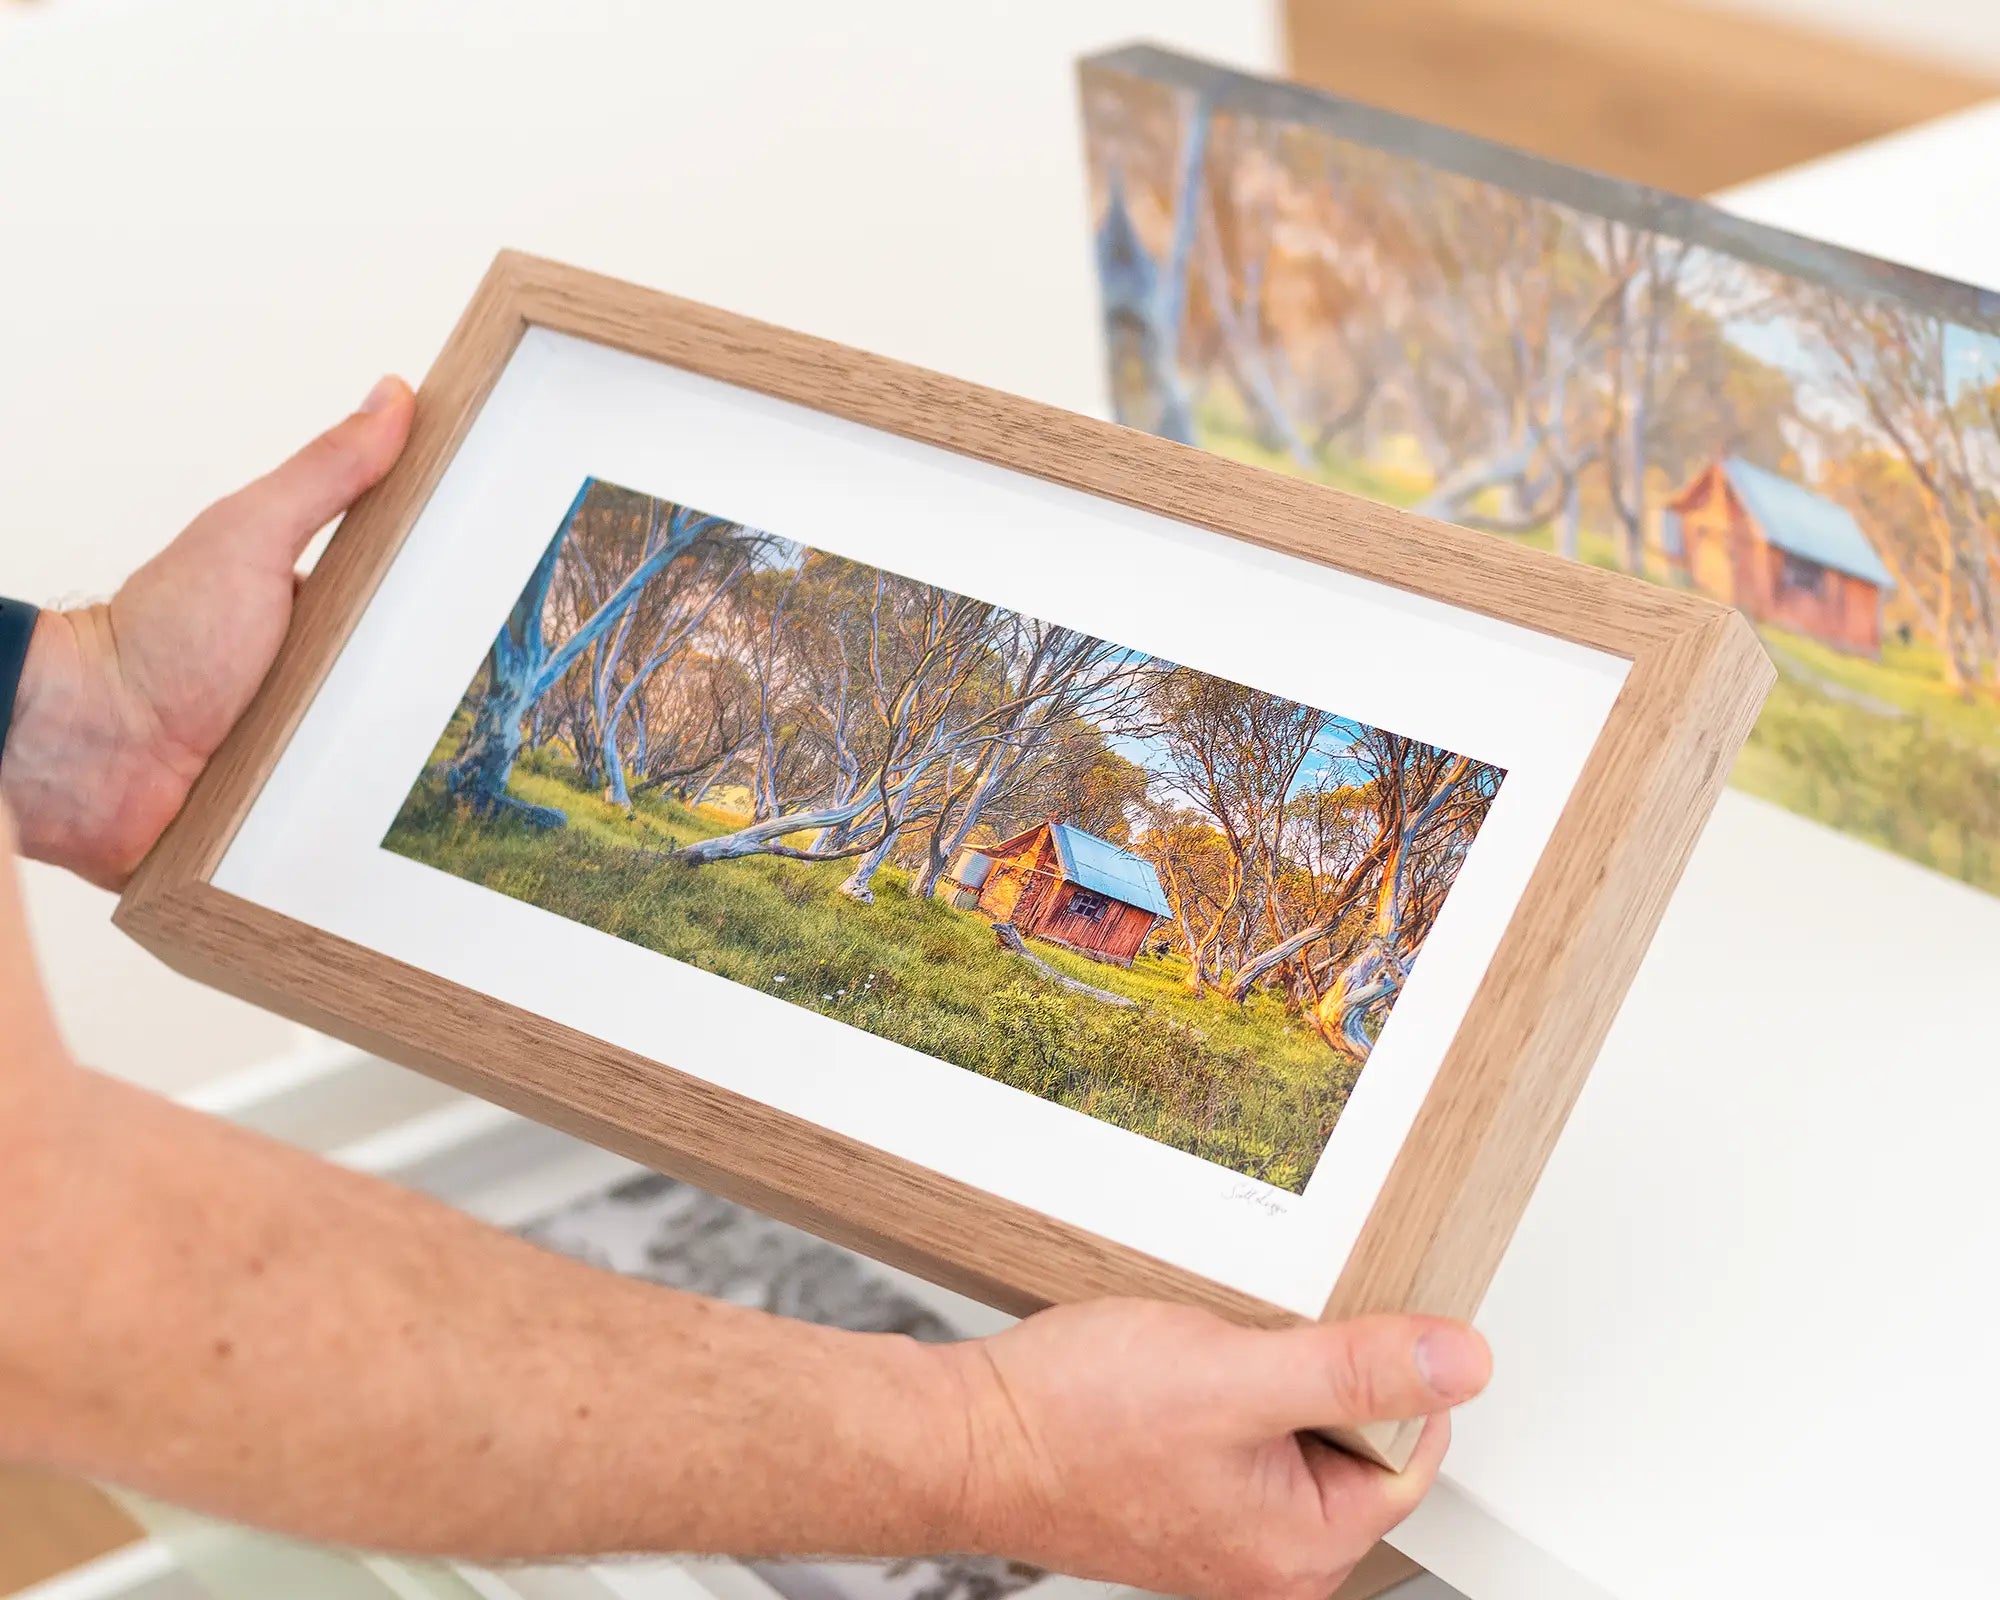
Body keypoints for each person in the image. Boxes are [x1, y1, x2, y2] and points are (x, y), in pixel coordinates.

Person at [0, 379, 1491, 1600]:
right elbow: (47, 1272)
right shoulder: (1029, 849)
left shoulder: (1114, 891)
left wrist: (85, 709)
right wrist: (991, 1443)